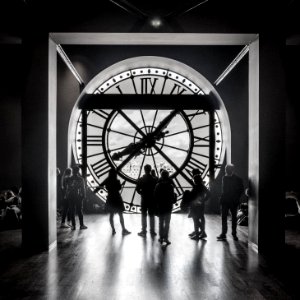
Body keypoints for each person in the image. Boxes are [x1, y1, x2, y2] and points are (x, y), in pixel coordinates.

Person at [217, 164, 244, 241]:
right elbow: (241, 190)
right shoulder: (238, 179)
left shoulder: (224, 178)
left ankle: (223, 233)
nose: (226, 171)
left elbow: (224, 190)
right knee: (234, 218)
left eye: (226, 169)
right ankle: (234, 233)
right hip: (233, 201)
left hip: (225, 200)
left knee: (224, 218)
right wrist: (236, 198)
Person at [101, 169, 131, 235]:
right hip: (117, 198)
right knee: (120, 215)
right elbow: (118, 188)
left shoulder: (107, 180)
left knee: (111, 215)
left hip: (110, 198)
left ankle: (113, 229)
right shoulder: (117, 181)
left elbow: (101, 185)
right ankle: (123, 229)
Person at [154, 170, 176, 246]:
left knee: (161, 222)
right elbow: (173, 197)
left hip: (161, 206)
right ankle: (166, 238)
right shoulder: (171, 186)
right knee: (167, 223)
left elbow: (155, 197)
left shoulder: (158, 186)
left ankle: (161, 237)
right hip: (168, 206)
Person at [136, 164, 158, 237]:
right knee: (152, 216)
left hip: (144, 199)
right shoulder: (154, 179)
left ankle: (144, 231)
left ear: (144, 170)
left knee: (143, 216)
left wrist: (142, 193)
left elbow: (138, 190)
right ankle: (152, 231)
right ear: (150, 169)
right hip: (152, 200)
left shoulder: (141, 179)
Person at [188, 175, 210, 240]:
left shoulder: (196, 187)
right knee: (199, 219)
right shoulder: (202, 187)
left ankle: (198, 234)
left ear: (196, 180)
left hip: (195, 206)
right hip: (200, 205)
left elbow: (192, 196)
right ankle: (202, 233)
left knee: (195, 220)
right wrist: (203, 200)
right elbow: (209, 194)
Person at [66, 165, 88, 230]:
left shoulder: (69, 179)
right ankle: (81, 225)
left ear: (72, 171)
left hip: (71, 196)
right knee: (79, 211)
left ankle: (73, 225)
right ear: (78, 171)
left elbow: (68, 188)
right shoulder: (81, 179)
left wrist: (66, 195)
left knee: (72, 211)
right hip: (78, 196)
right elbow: (83, 188)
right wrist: (84, 196)